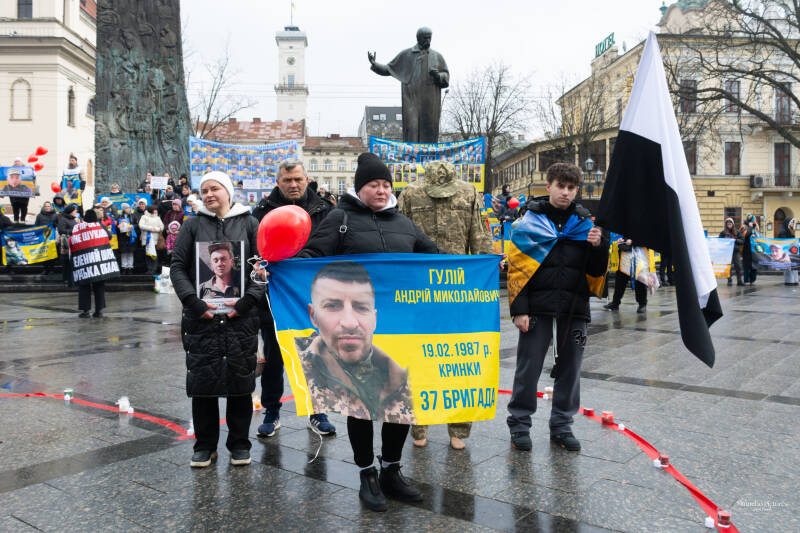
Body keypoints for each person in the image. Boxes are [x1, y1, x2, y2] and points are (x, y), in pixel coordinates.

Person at [297, 152, 437, 513]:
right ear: (360, 188)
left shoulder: (404, 223)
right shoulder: (340, 218)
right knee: (358, 403)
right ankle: (366, 474)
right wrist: (282, 267)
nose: (382, 190)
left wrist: (479, 266)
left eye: (386, 184)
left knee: (399, 399)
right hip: (355, 329)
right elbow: (312, 254)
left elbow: (435, 258)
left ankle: (391, 469)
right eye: (374, 184)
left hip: (400, 327)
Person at [507, 163, 608, 453]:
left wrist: (599, 246)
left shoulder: (585, 224)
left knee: (571, 369)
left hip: (574, 309)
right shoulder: (530, 221)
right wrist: (520, 309)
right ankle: (519, 424)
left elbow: (596, 270)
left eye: (571, 188)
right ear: (549, 185)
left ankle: (562, 425)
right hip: (537, 309)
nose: (565, 192)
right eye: (560, 186)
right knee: (528, 369)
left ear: (576, 190)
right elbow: (517, 268)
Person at [398, 160, 492, 451]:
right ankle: (419, 426)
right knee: (418, 359)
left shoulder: (469, 193)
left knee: (460, 362)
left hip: (458, 290)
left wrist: (485, 273)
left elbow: (479, 236)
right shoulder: (410, 194)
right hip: (419, 290)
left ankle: (459, 428)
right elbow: (399, 237)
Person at [170, 171, 261, 468]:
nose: (209, 194)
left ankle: (239, 443)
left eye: (215, 189)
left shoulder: (249, 223)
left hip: (240, 318)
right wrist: (193, 302)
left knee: (240, 382)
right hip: (202, 318)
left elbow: (263, 267)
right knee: (203, 382)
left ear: (228, 192)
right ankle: (205, 445)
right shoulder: (192, 225)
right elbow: (178, 267)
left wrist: (247, 302)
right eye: (204, 190)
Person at [251, 158, 335, 439]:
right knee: (274, 358)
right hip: (275, 298)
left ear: (307, 179)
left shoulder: (325, 209)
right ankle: (271, 411)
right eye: (287, 180)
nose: (293, 184)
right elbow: (254, 248)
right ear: (278, 182)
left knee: (316, 355)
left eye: (298, 179)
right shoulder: (262, 211)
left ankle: (317, 411)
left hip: (315, 297)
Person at [296, 261, 414, 423]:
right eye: (332, 306)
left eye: (361, 307)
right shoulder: (299, 362)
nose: (350, 323)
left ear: (374, 318)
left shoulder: (404, 379)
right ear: (312, 315)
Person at [367, 27, 449, 143]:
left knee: (429, 130)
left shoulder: (437, 57)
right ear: (418, 38)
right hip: (411, 100)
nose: (428, 41)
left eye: (429, 38)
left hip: (430, 102)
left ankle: (429, 154)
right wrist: (374, 64)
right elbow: (389, 69)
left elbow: (446, 75)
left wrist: (438, 76)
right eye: (425, 38)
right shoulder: (406, 55)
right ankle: (412, 154)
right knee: (411, 129)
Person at [72, 209, 110, 318]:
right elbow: (109, 236)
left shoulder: (79, 228)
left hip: (84, 262)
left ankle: (85, 311)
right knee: (99, 286)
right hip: (99, 261)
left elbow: (73, 240)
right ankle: (99, 310)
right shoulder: (100, 226)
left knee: (84, 286)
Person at [603, 238, 648, 314]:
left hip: (638, 257)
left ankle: (642, 304)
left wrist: (633, 242)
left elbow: (647, 240)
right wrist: (620, 241)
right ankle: (615, 303)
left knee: (640, 282)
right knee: (619, 282)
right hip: (624, 257)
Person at [57, 204, 79, 285]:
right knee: (66, 262)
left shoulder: (74, 219)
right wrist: (73, 230)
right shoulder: (63, 219)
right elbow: (61, 230)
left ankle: (71, 279)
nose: (76, 211)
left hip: (74, 242)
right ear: (70, 211)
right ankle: (66, 279)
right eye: (75, 210)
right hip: (66, 244)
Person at [138, 205, 164, 275]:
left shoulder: (158, 218)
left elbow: (162, 227)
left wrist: (155, 229)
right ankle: (149, 269)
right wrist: (150, 228)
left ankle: (154, 269)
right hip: (146, 240)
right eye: (155, 210)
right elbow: (141, 225)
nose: (156, 211)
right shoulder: (144, 217)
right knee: (148, 255)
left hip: (155, 240)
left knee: (154, 255)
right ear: (151, 210)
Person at [719, 218, 744, 286]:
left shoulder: (737, 232)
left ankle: (739, 281)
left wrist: (736, 240)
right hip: (727, 252)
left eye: (730, 223)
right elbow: (719, 242)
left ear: (733, 224)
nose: (729, 224)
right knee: (728, 267)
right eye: (728, 223)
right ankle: (729, 280)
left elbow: (742, 241)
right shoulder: (723, 233)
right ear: (726, 224)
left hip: (735, 251)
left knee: (738, 266)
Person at [116, 203, 136, 274]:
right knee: (124, 253)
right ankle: (124, 267)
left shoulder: (132, 216)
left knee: (130, 252)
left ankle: (130, 267)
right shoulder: (119, 216)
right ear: (123, 209)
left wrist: (132, 226)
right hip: (122, 237)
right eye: (126, 208)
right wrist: (118, 226)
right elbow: (116, 226)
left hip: (130, 236)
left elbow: (136, 224)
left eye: (128, 208)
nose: (128, 209)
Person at [741, 215, 759, 285]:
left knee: (754, 265)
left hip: (755, 249)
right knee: (747, 265)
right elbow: (744, 236)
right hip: (747, 249)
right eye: (754, 219)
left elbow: (758, 237)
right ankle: (746, 280)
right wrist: (750, 228)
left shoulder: (756, 227)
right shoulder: (744, 227)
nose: (755, 221)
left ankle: (753, 280)